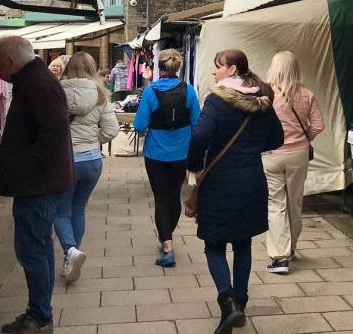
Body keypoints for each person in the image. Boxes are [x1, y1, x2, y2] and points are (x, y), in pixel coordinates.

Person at [187, 50, 284, 334]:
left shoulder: (217, 100)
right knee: (243, 243)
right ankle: (239, 304)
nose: (214, 73)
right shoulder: (262, 100)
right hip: (252, 181)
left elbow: (200, 135)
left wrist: (194, 165)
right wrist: (252, 148)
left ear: (231, 70)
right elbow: (277, 138)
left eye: (217, 67)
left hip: (219, 182)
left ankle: (228, 303)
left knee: (214, 244)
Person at [0, 36, 73, 334]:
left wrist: (26, 170)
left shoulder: (38, 84)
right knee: (37, 248)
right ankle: (40, 313)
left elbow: (51, 136)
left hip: (39, 185)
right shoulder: (34, 81)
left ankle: (39, 317)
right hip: (40, 183)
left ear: (11, 61)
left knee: (32, 249)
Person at [55, 52, 119, 284]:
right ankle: (71, 255)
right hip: (92, 160)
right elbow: (111, 130)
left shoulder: (57, 92)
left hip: (65, 160)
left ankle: (71, 252)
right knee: (78, 208)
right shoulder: (101, 94)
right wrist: (93, 141)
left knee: (60, 211)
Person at [132, 49, 201, 267]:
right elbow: (197, 123)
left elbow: (140, 125)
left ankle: (167, 244)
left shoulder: (150, 92)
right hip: (181, 153)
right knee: (173, 198)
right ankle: (167, 235)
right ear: (178, 67)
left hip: (155, 154)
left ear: (159, 67)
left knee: (161, 198)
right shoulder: (189, 91)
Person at [262, 51, 324, 274]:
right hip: (298, 154)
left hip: (271, 154)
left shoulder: (266, 95)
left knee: (275, 203)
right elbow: (318, 125)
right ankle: (292, 247)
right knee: (295, 201)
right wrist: (305, 136)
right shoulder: (307, 94)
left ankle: (280, 256)